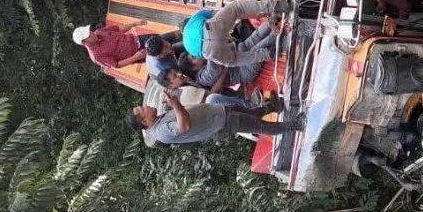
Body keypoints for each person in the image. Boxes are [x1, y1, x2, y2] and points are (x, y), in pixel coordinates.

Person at [127, 90, 304, 146]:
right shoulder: (160, 132)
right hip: (221, 122)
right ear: (145, 121)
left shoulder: (159, 120)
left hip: (217, 112)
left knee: (251, 113)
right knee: (260, 126)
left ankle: (274, 106)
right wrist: (175, 104)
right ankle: (295, 125)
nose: (147, 106)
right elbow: (184, 126)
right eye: (143, 109)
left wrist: (173, 103)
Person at [181, 0, 290, 68]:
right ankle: (275, 6)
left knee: (234, 60)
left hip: (208, 51)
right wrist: (256, 14)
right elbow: (221, 13)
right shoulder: (195, 17)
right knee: (236, 7)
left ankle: (267, 54)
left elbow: (202, 56)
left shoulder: (188, 45)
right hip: (208, 29)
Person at [73, 19, 155, 69]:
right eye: (88, 35)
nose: (92, 33)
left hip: (140, 39)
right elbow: (117, 64)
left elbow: (119, 29)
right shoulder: (96, 56)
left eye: (89, 31)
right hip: (139, 53)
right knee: (160, 53)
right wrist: (136, 57)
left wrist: (134, 24)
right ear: (84, 43)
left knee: (161, 38)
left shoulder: (99, 31)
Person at [156, 68, 250, 108]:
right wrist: (224, 71)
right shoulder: (184, 94)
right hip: (216, 111)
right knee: (213, 98)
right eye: (175, 76)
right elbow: (212, 96)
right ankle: (248, 105)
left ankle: (244, 99)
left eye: (176, 72)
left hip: (211, 99)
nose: (179, 74)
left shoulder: (181, 82)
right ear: (171, 86)